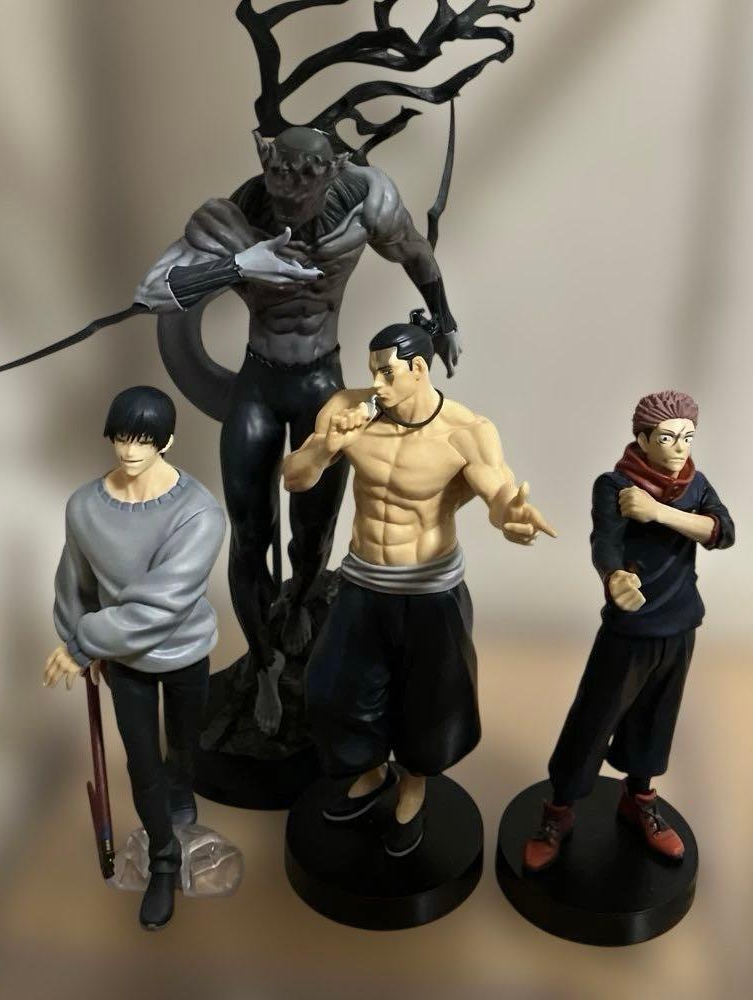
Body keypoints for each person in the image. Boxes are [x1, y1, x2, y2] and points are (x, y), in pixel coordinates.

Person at [134, 126, 461, 736]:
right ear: (264, 165)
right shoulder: (231, 220)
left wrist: (442, 319)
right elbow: (151, 292)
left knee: (313, 532)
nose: (289, 204)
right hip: (259, 383)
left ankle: (302, 599)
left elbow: (415, 251)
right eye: (278, 185)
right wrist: (239, 264)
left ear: (332, 173)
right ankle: (263, 664)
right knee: (249, 533)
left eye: (303, 190)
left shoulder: (366, 204)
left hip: (320, 381)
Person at [283, 317, 556, 856]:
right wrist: (325, 446)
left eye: (386, 373)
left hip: (430, 590)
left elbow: (498, 492)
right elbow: (295, 477)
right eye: (372, 372)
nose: (376, 384)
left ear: (418, 368)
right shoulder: (348, 409)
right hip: (363, 580)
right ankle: (370, 772)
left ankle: (412, 786)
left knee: (431, 703)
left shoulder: (464, 431)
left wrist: (513, 516)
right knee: (334, 689)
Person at [523, 390, 735, 872]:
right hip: (630, 626)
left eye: (687, 437)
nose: (680, 448)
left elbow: (723, 532)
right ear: (642, 439)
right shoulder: (614, 485)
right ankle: (559, 808)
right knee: (593, 719)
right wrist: (613, 576)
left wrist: (659, 512)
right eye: (668, 438)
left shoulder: (696, 485)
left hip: (679, 623)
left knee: (657, 719)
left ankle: (639, 798)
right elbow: (605, 541)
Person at [43, 386, 226, 929]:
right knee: (142, 763)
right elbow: (74, 583)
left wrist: (85, 643)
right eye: (121, 437)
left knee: (184, 744)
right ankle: (164, 860)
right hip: (123, 662)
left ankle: (182, 790)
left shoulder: (199, 512)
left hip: (185, 650)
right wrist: (78, 637)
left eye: (144, 440)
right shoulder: (84, 506)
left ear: (167, 441)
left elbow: (161, 604)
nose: (129, 450)